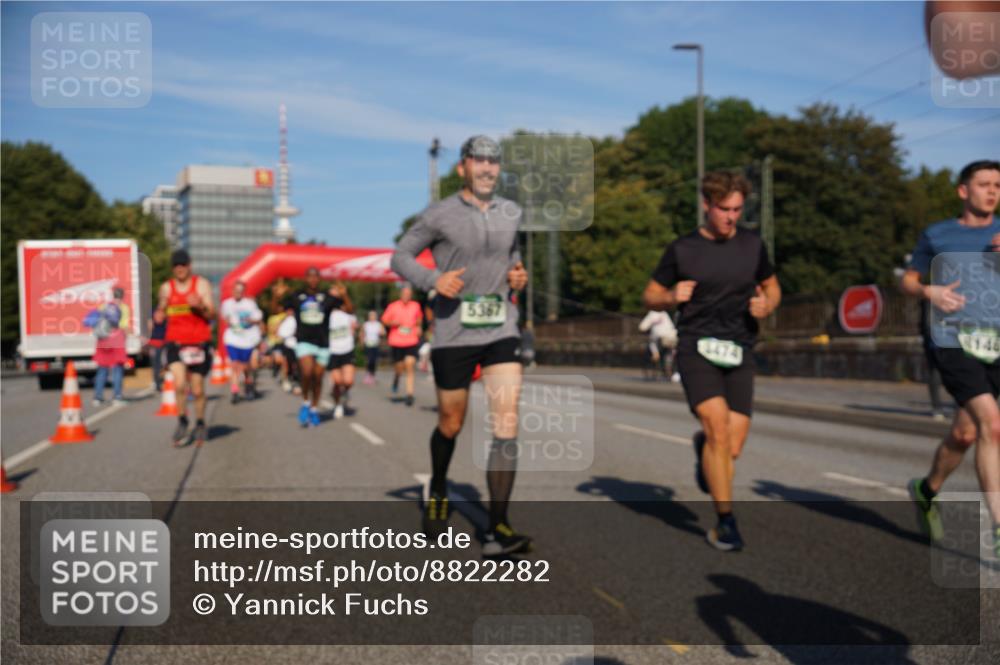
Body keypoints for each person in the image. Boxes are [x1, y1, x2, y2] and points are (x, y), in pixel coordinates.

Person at [392, 134, 531, 557]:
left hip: (501, 329)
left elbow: (513, 260)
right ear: (463, 168)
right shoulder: (439, 214)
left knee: (506, 420)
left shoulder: (511, 212)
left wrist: (518, 277)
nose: (487, 168)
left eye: (494, 162)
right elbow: (400, 256)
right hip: (454, 332)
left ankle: (498, 525)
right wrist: (433, 280)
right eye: (479, 161)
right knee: (451, 423)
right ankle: (438, 487)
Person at [643, 171, 781, 552]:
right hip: (696, 347)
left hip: (739, 347)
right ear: (706, 205)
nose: (731, 217)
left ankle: (703, 449)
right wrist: (670, 296)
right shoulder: (683, 249)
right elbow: (649, 294)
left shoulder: (752, 245)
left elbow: (772, 286)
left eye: (737, 210)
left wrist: (767, 304)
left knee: (731, 447)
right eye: (724, 209)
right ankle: (725, 522)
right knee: (718, 429)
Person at [899, 159, 1000, 559]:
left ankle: (927, 490)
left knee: (965, 434)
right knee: (993, 424)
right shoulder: (938, 234)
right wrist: (931, 293)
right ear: (963, 191)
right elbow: (907, 281)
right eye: (984, 184)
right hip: (953, 340)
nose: (991, 192)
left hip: (995, 342)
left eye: (997, 186)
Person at [157, 250, 215, 447]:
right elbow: (162, 308)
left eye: (183, 264)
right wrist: (159, 314)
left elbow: (212, 314)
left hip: (198, 343)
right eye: (176, 265)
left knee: (197, 390)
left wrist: (199, 306)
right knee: (179, 384)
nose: (180, 268)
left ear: (189, 266)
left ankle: (200, 422)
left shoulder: (201, 285)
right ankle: (182, 420)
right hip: (175, 343)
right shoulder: (167, 288)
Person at [286, 267, 341, 427]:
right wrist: (276, 297)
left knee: (317, 378)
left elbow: (349, 309)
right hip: (304, 341)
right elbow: (276, 308)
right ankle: (305, 402)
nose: (313, 279)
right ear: (305, 279)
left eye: (316, 276)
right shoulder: (297, 296)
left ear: (319, 279)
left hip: (323, 343)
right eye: (310, 276)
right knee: (307, 372)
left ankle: (314, 408)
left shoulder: (326, 296)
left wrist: (343, 295)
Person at [220, 280, 264, 404]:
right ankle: (235, 391)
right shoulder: (227, 304)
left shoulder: (250, 304)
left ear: (243, 292)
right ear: (232, 291)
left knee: (246, 366)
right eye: (236, 290)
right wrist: (230, 322)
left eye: (240, 291)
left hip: (248, 340)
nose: (237, 293)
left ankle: (249, 386)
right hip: (233, 339)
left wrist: (250, 320)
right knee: (234, 365)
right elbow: (225, 318)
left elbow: (258, 318)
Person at [381, 285, 424, 407]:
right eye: (404, 294)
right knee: (399, 367)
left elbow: (419, 318)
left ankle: (409, 394)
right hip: (397, 340)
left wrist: (419, 327)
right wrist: (392, 323)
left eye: (408, 294)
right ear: (401, 295)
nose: (406, 296)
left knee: (409, 364)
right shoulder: (393, 306)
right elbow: (384, 320)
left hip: (411, 340)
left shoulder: (415, 305)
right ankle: (397, 377)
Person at [88, 286, 131, 406]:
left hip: (103, 341)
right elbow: (124, 326)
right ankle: (117, 397)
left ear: (113, 295)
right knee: (117, 369)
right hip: (117, 340)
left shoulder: (103, 306)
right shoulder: (124, 308)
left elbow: (95, 321)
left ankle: (97, 397)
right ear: (122, 296)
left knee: (102, 369)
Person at [326, 282, 357, 419]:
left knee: (348, 381)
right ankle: (338, 404)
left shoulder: (347, 312)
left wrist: (344, 295)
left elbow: (350, 308)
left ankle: (344, 393)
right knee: (337, 381)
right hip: (332, 351)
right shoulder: (326, 312)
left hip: (347, 349)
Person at [639, 309, 678, 381]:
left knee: (652, 342)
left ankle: (656, 354)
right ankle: (670, 369)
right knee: (669, 352)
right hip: (672, 337)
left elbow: (642, 327)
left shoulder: (652, 313)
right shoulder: (664, 313)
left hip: (660, 339)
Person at [360, 310, 385, 385]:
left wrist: (381, 333)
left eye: (374, 315)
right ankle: (367, 374)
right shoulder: (366, 324)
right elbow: (362, 333)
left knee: (374, 361)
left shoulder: (378, 324)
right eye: (371, 315)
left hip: (375, 344)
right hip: (368, 344)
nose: (372, 317)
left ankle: (372, 375)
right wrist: (361, 342)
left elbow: (383, 332)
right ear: (369, 317)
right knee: (369, 360)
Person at [147, 305, 167, 392]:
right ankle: (158, 383)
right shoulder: (161, 312)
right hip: (156, 343)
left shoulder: (156, 312)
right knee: (157, 365)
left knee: (158, 365)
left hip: (160, 342)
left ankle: (159, 382)